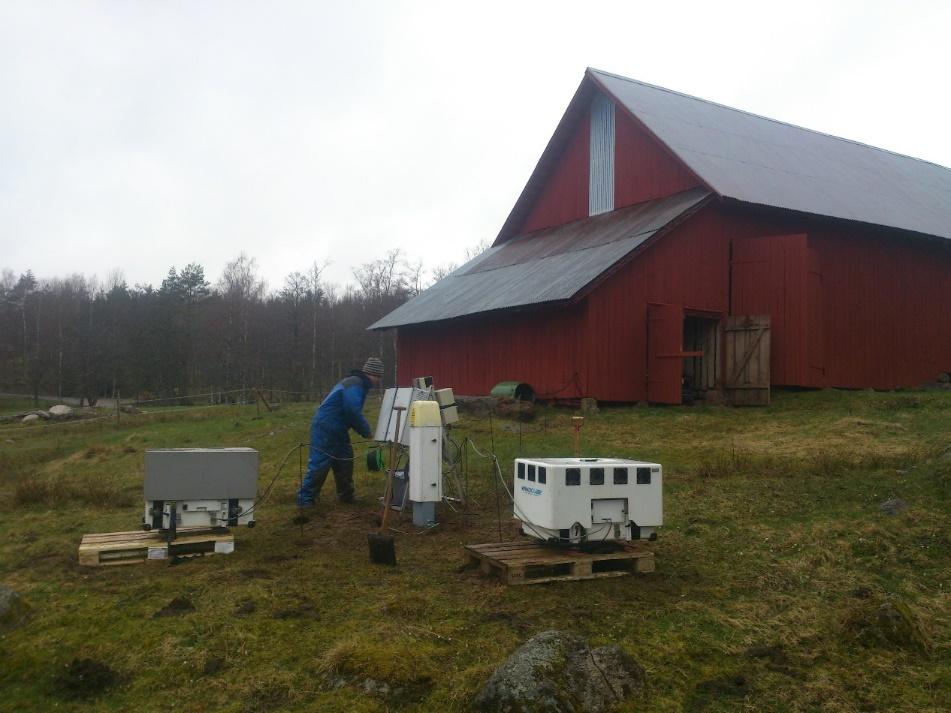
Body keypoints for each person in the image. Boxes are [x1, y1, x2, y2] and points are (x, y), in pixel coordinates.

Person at [296, 357, 384, 506]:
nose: (378, 381)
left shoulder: (357, 384)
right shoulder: (356, 384)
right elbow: (352, 410)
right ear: (373, 374)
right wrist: (366, 431)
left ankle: (346, 496)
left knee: (345, 461)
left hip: (338, 429)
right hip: (326, 427)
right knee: (320, 464)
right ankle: (305, 500)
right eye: (378, 377)